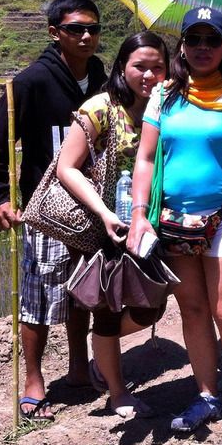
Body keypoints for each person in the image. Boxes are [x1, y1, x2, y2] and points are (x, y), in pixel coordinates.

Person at [125, 7, 222, 437]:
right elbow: (146, 159)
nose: (203, 48)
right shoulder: (164, 95)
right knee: (191, 308)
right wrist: (137, 213)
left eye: (213, 40)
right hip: (173, 220)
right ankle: (207, 392)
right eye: (194, 40)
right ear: (182, 47)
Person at [0, 0, 107, 421]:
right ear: (55, 33)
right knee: (37, 296)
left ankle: (76, 369)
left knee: (81, 290)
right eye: (75, 29)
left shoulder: (100, 75)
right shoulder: (30, 81)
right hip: (44, 203)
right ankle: (34, 380)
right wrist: (0, 195)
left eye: (92, 28)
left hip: (89, 202)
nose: (86, 36)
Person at [56, 31, 169, 418]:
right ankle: (117, 391)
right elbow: (66, 167)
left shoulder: (168, 108)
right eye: (140, 66)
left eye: (158, 67)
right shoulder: (101, 108)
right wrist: (103, 213)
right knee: (106, 311)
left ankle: (100, 357)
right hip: (104, 227)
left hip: (150, 226)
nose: (150, 75)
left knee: (150, 306)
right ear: (122, 67)